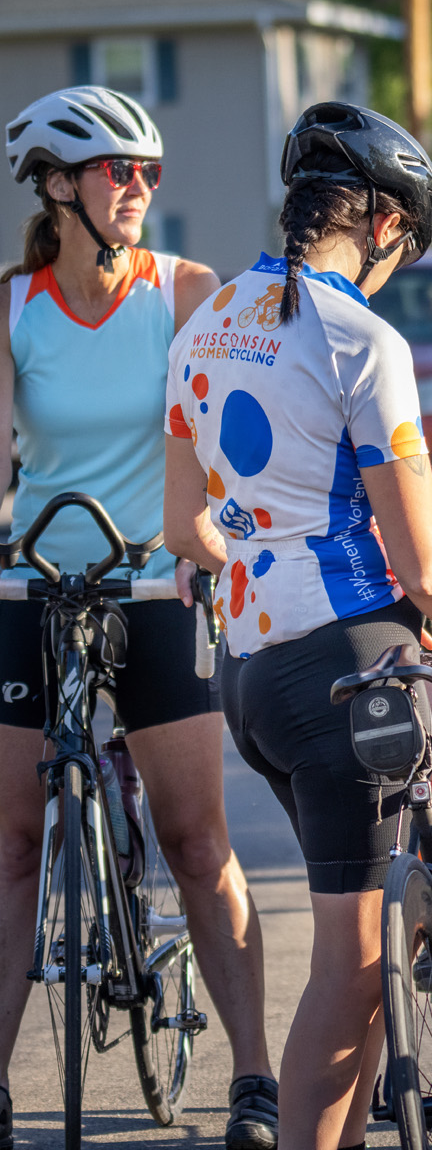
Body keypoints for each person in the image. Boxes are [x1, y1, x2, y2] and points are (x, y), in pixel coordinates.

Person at [164, 101, 432, 1150]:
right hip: (350, 668)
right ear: (388, 227)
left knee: (361, 934)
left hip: (252, 674)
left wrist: (260, 551)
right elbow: (421, 565)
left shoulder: (205, 321)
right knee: (353, 971)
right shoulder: (363, 338)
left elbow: (185, 525)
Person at [0, 86, 274, 1150]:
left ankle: (253, 1077)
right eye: (121, 170)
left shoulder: (188, 292)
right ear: (62, 186)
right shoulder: (15, 306)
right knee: (15, 846)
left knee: (198, 837)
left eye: (149, 171)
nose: (140, 188)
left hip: (156, 586)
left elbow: (226, 443)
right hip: (31, 589)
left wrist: (217, 549)